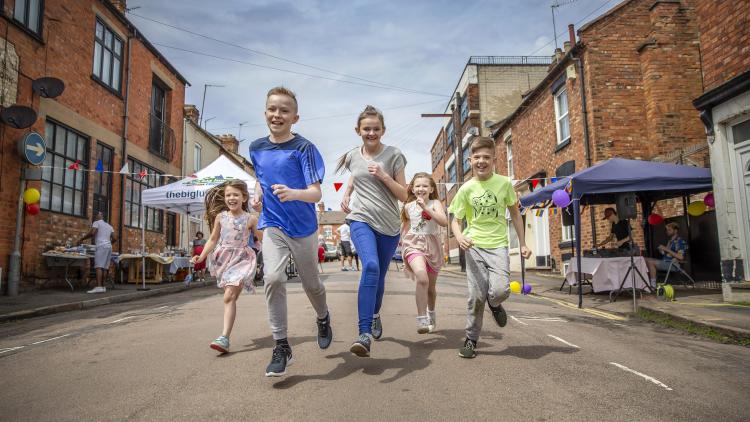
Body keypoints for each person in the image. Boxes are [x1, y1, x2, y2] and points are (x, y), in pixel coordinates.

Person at [249, 86, 332, 377]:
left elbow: (316, 194)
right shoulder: (256, 148)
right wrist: (257, 194)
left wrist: (293, 193)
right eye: (273, 109)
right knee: (272, 278)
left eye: (284, 110)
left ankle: (323, 316)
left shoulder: (304, 148)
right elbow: (260, 179)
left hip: (303, 226)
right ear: (265, 113)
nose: (277, 114)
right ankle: (281, 345)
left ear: (295, 117)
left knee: (312, 285)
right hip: (272, 223)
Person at [447, 137, 531, 359]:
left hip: (498, 246)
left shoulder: (504, 183)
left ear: (494, 159)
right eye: (477, 157)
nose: (481, 161)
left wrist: (522, 243)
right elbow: (455, 219)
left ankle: (494, 304)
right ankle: (471, 340)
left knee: (501, 290)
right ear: (470, 160)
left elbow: (515, 213)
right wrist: (459, 236)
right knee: (475, 297)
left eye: (486, 157)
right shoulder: (466, 188)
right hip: (473, 245)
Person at [338, 105, 407, 357]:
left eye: (376, 128)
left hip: (389, 225)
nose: (371, 132)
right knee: (371, 267)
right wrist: (347, 192)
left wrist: (384, 176)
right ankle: (364, 333)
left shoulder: (394, 155)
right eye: (366, 128)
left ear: (383, 130)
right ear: (358, 130)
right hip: (360, 218)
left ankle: (375, 314)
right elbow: (356, 175)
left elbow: (404, 194)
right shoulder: (352, 156)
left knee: (380, 277)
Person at [191, 180, 259, 355]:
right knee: (229, 297)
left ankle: (224, 337)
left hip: (242, 259)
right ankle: (225, 337)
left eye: (236, 194)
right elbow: (213, 239)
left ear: (244, 197)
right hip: (224, 259)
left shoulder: (251, 219)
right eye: (228, 195)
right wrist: (202, 256)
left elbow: (262, 238)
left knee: (228, 296)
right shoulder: (221, 217)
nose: (231, 198)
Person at [400, 172, 448, 334]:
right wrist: (402, 244)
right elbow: (405, 226)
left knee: (430, 289)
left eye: (425, 185)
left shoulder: (435, 203)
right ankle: (422, 319)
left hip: (432, 247)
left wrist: (425, 208)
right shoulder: (407, 207)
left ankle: (431, 313)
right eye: (418, 186)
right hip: (413, 245)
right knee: (422, 277)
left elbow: (443, 222)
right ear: (412, 190)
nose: (421, 188)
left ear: (431, 188)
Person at [79, 211, 116, 294]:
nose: (96, 215)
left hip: (101, 246)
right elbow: (115, 238)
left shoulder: (96, 222)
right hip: (109, 247)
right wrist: (108, 243)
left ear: (101, 216)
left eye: (98, 214)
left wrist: (82, 239)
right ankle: (103, 287)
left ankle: (99, 286)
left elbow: (92, 233)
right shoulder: (109, 226)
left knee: (99, 267)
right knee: (105, 267)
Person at [646, 222, 687, 286]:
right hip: (665, 262)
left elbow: (680, 257)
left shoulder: (680, 241)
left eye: (669, 230)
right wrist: (662, 251)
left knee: (651, 262)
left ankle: (652, 285)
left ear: (675, 231)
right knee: (645, 259)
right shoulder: (670, 241)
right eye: (667, 230)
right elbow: (667, 254)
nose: (667, 231)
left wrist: (666, 249)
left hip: (673, 264)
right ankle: (645, 282)